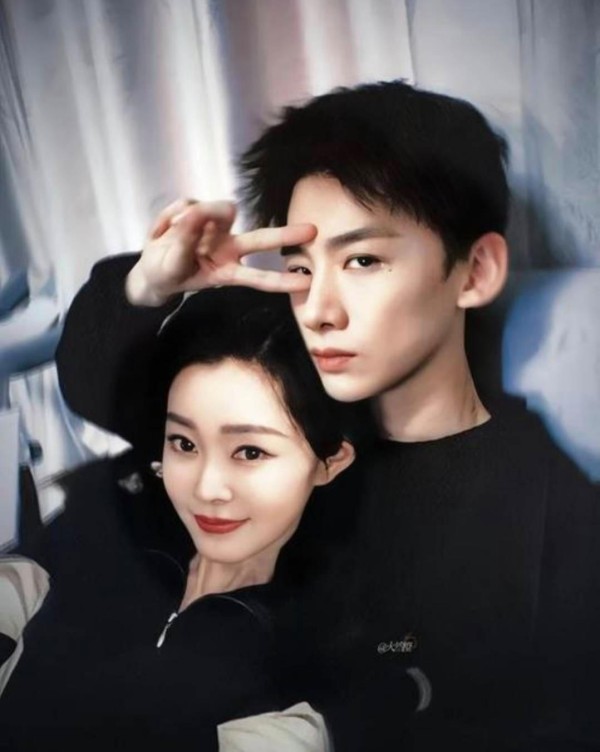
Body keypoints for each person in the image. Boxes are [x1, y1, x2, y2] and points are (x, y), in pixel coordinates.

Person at [54, 80, 600, 751]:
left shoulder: (548, 516)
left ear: (475, 271)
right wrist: (150, 284)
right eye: (301, 268)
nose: (318, 310)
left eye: (363, 260)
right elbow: (102, 395)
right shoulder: (287, 400)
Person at [0, 285, 369, 750]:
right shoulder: (105, 527)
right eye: (185, 443)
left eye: (250, 452)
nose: (206, 488)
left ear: (330, 462)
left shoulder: (309, 670)